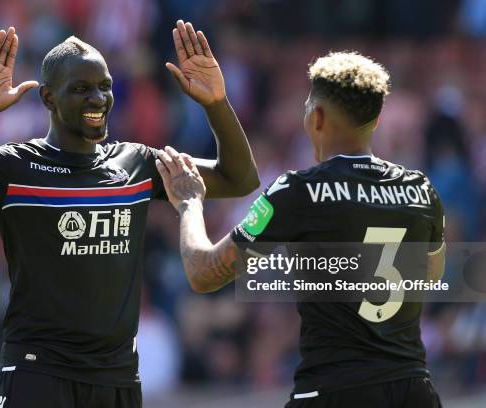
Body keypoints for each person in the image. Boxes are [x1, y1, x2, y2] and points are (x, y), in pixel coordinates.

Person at [0, 21, 259, 408]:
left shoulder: (138, 163)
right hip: (38, 374)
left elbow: (239, 178)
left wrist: (215, 103)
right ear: (48, 98)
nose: (98, 98)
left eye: (104, 86)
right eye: (81, 89)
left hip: (117, 377)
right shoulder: (12, 167)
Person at [156, 51, 445, 408]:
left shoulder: (298, 191)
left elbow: (203, 273)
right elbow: (431, 276)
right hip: (413, 391)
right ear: (377, 119)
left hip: (333, 391)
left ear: (317, 117)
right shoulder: (421, 189)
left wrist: (189, 202)